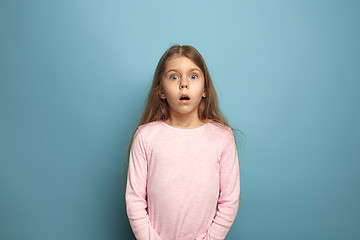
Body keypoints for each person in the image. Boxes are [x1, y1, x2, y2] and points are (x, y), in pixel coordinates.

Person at [125, 44, 240, 240]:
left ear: (205, 89)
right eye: (174, 77)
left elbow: (229, 201)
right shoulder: (145, 136)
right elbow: (134, 200)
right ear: (161, 91)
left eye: (193, 76)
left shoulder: (223, 138)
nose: (184, 84)